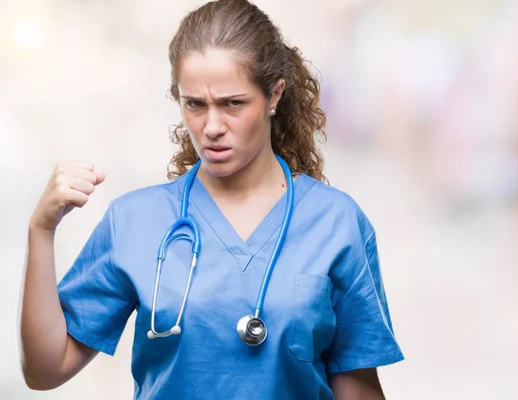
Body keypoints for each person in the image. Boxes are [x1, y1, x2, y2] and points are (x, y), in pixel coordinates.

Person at [19, 0, 404, 398]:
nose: (212, 127)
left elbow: (357, 386)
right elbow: (46, 370)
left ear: (274, 96)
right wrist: (41, 230)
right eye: (195, 105)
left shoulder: (335, 223)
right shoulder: (135, 221)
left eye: (232, 103)